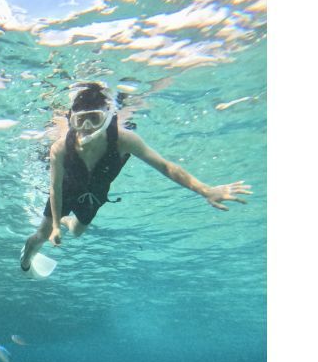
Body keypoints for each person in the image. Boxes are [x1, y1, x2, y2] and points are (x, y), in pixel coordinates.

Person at [20, 81, 252, 272]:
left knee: (78, 232)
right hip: (67, 189)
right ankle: (26, 259)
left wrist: (205, 190)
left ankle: (67, 221)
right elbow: (54, 188)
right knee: (43, 233)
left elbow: (165, 166)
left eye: (95, 118)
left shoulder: (124, 139)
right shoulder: (60, 147)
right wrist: (55, 228)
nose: (87, 127)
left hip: (96, 193)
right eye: (81, 120)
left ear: (108, 117)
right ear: (71, 120)